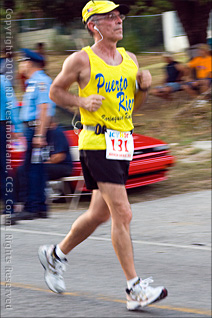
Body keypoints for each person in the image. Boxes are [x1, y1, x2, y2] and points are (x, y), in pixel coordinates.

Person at [38, 0, 168, 311]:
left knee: (100, 214)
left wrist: (144, 89)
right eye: (110, 17)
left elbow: (133, 109)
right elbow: (55, 91)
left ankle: (55, 254)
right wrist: (80, 101)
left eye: (119, 15)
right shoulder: (81, 60)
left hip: (123, 143)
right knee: (123, 213)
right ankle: (133, 289)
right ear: (93, 26)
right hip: (96, 144)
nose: (118, 21)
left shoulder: (130, 60)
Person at [12, 48, 56, 222]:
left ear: (29, 63)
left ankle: (32, 207)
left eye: (22, 62)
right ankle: (40, 207)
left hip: (36, 130)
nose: (21, 65)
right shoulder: (34, 82)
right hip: (34, 130)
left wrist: (39, 134)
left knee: (31, 169)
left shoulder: (40, 81)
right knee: (35, 168)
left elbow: (44, 108)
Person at [14, 121, 72, 212]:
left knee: (37, 170)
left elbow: (59, 156)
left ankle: (39, 202)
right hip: (48, 164)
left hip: (62, 166)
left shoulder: (57, 133)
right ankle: (21, 201)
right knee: (22, 169)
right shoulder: (43, 134)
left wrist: (40, 165)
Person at [0, 73, 22, 225]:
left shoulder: (2, 80)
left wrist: (16, 127)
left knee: (3, 167)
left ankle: (10, 206)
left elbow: (11, 104)